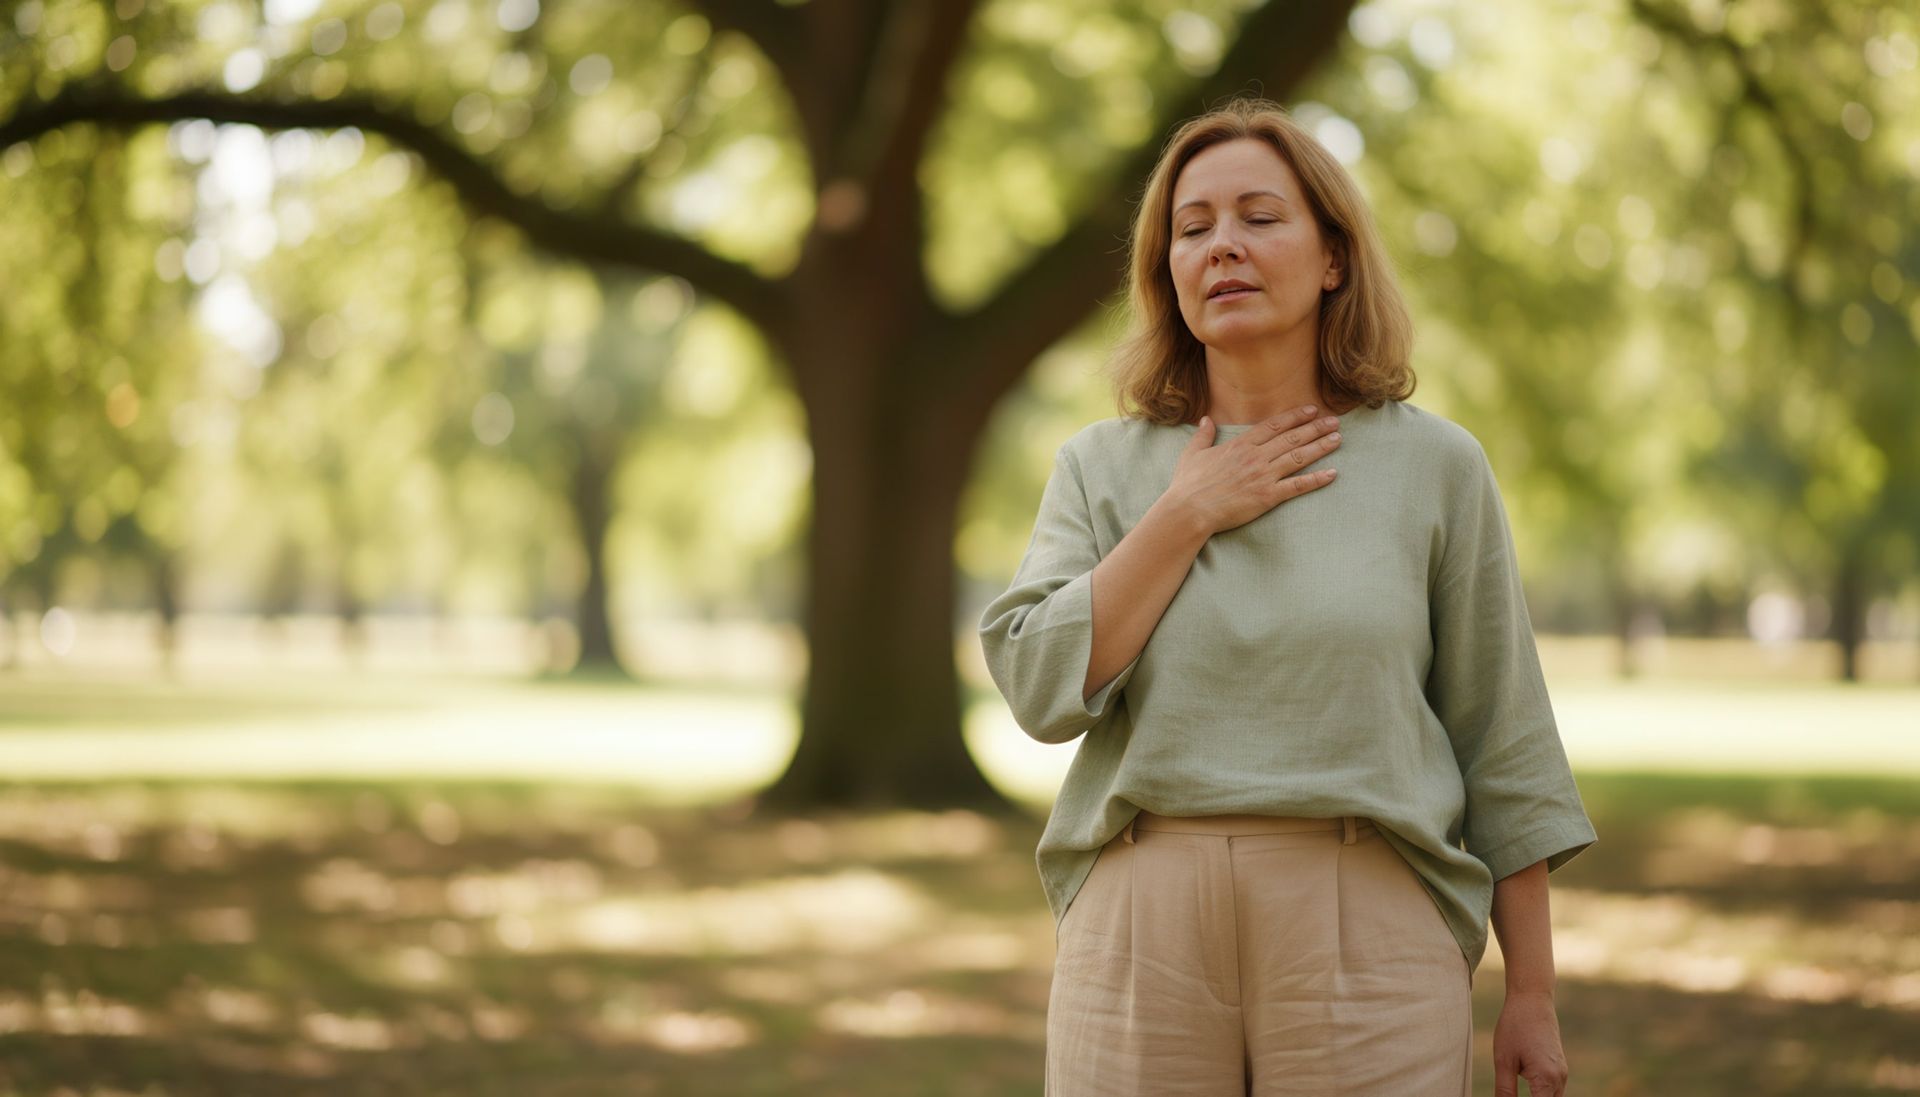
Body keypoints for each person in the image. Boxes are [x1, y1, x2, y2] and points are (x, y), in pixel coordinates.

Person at [977, 97, 1596, 1097]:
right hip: (1141, 922)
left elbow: (1504, 736)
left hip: (1370, 924)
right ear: (1166, 270)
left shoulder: (1435, 466)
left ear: (1334, 255)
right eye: (1193, 228)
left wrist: (1532, 987)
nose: (1223, 246)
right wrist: (1187, 511)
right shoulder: (1101, 467)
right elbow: (1041, 687)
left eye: (1260, 217)